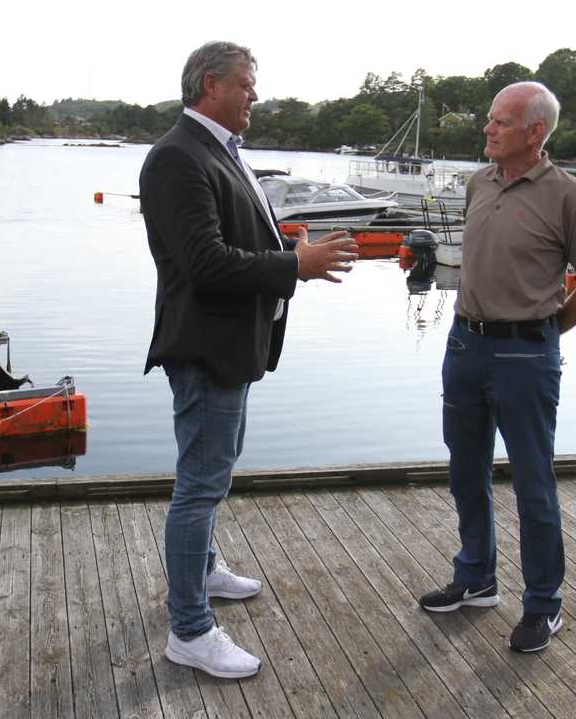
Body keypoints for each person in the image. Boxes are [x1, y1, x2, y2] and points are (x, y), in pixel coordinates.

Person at [139, 41, 358, 679]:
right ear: (211, 85)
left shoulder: (218, 151)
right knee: (200, 486)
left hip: (231, 345)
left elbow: (227, 243)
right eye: (246, 85)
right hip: (206, 344)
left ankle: (203, 571)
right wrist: (296, 266)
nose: (255, 97)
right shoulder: (177, 156)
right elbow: (204, 265)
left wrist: (283, 245)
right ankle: (190, 629)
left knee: (215, 473)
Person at [417, 82, 576, 654]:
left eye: (500, 122)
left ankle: (544, 605)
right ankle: (476, 578)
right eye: (490, 120)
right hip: (464, 345)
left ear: (535, 132)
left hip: (526, 354)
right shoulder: (480, 182)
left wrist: (540, 334)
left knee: (532, 484)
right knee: (465, 471)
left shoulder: (567, 196)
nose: (488, 129)